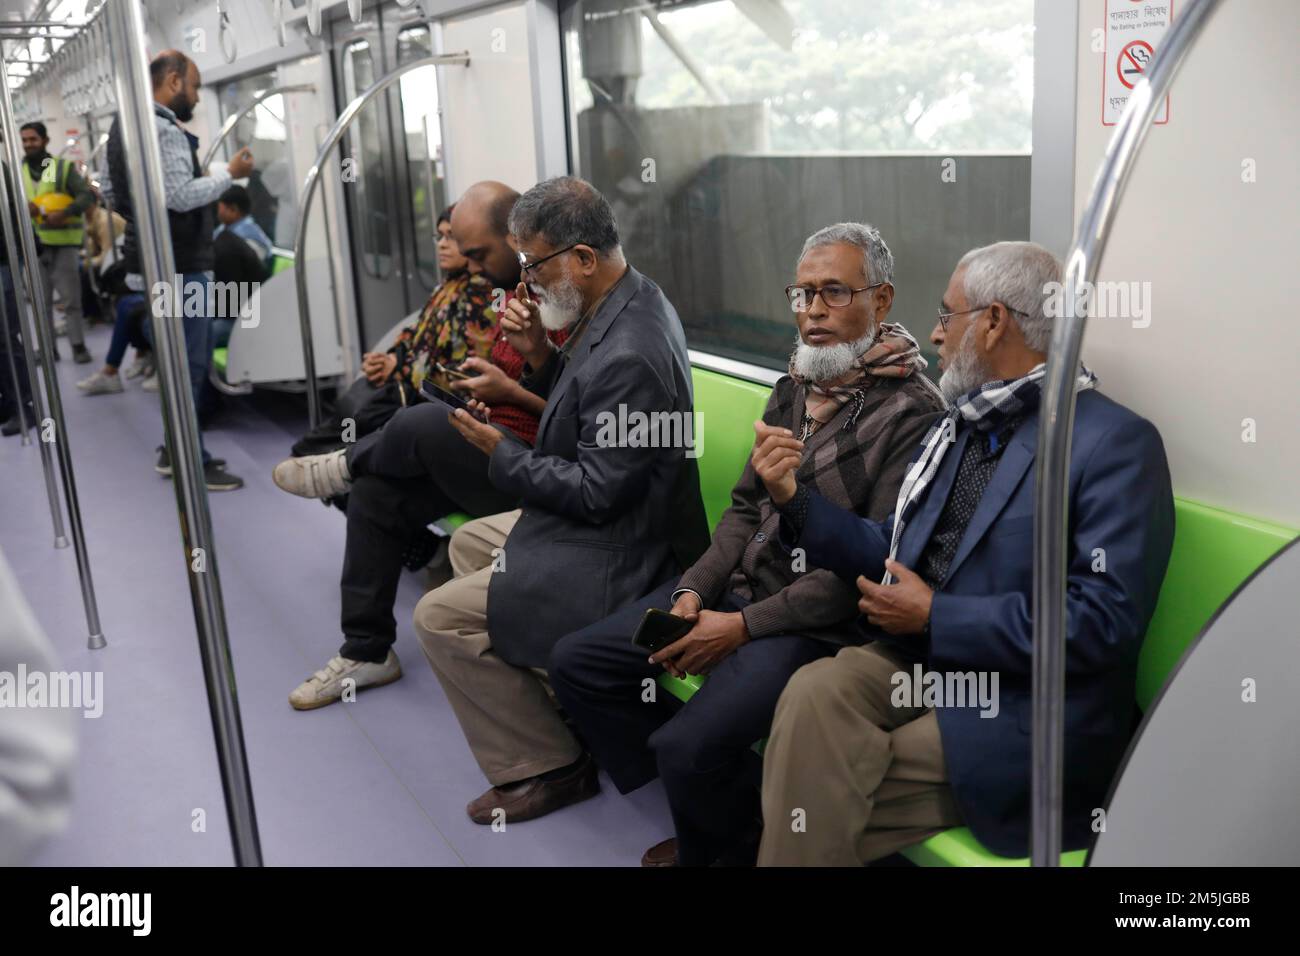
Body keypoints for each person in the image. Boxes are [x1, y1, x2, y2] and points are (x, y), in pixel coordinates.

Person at [753, 241, 1176, 866]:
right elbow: (893, 553)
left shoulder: (1112, 444)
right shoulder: (962, 427)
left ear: (995, 321)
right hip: (924, 662)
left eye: (947, 316)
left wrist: (937, 617)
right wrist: (793, 499)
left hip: (1021, 697)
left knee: (816, 782)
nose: (934, 333)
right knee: (814, 692)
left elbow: (1104, 621)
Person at [549, 222, 946, 866]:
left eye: (835, 293)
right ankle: (726, 815)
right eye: (803, 293)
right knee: (578, 664)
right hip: (737, 590)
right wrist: (690, 592)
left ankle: (721, 835)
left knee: (684, 747)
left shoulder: (914, 414)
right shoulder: (796, 385)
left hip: (813, 625)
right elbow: (744, 508)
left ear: (882, 299)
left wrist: (738, 628)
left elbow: (869, 569)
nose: (812, 311)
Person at [408, 176, 710, 826]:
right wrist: (535, 365)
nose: (526, 282)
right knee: (468, 542)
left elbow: (598, 492)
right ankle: (552, 707)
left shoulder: (630, 350)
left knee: (437, 618)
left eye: (533, 264)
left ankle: (548, 765)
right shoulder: (623, 305)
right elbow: (590, 422)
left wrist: (500, 451)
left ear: (581, 257)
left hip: (629, 550)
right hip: (615, 520)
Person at [271, 181, 569, 709]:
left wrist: (511, 391)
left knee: (421, 422)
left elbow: (575, 422)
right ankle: (367, 650)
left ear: (515, 237)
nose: (473, 266)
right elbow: (518, 379)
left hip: (540, 475)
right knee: (375, 494)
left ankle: (340, 464)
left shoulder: (567, 301)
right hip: (494, 445)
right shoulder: (517, 294)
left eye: (479, 253)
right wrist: (490, 392)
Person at [103, 49, 251, 491]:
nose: (197, 96)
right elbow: (181, 196)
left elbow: (111, 191)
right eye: (195, 85)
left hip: (152, 262)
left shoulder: (122, 127)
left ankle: (177, 448)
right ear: (172, 82)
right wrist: (232, 174)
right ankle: (190, 463)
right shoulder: (163, 129)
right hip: (182, 266)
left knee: (176, 363)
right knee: (190, 364)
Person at [287, 204, 499, 458]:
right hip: (408, 387)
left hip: (429, 403)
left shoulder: (480, 292)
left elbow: (466, 372)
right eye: (439, 236)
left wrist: (399, 369)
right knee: (341, 421)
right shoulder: (447, 285)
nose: (442, 244)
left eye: (451, 237)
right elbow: (415, 333)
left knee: (329, 441)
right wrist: (390, 358)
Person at [20, 121, 94, 364]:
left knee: (70, 299)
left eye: (33, 139)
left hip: (62, 244)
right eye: (25, 140)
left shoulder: (56, 168)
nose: (29, 144)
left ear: (45, 140)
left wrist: (65, 212)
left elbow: (85, 195)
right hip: (33, 247)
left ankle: (78, 346)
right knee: (41, 303)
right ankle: (48, 349)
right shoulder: (18, 172)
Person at [0, 162, 35, 438]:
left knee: (5, 336)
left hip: (3, 259)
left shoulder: (1, 169)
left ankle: (24, 405)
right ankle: (8, 400)